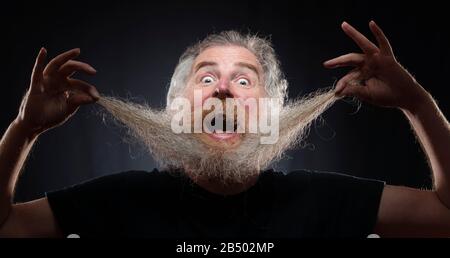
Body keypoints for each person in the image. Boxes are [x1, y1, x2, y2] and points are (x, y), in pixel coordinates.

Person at [0, 21, 449, 238]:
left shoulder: (324, 200)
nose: (224, 92)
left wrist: (417, 103)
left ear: (270, 111)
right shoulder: (119, 200)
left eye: (244, 80)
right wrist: (25, 129)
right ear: (178, 109)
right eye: (208, 77)